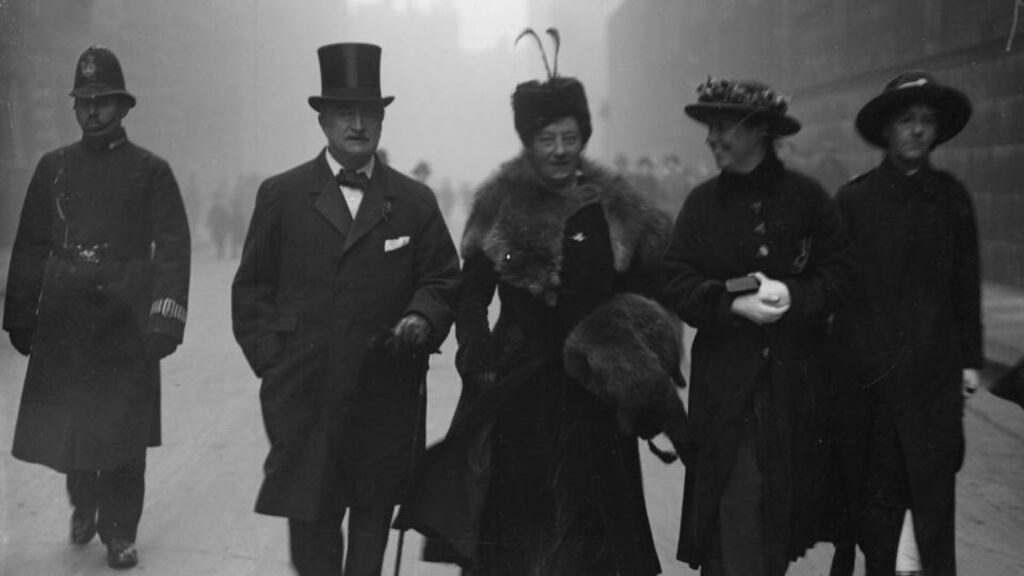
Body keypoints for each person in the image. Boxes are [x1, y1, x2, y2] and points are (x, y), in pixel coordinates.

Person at [394, 29, 676, 576]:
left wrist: (644, 362)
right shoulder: (501, 203)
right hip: (520, 391)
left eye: (570, 136)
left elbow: (654, 290)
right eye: (546, 138)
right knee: (522, 537)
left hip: (598, 395)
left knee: (596, 537)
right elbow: (470, 294)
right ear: (529, 141)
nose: (560, 150)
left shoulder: (615, 205)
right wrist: (479, 357)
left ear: (584, 135)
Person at [231, 42, 459, 576]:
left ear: (381, 121)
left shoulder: (414, 201)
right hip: (306, 404)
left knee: (368, 549)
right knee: (312, 546)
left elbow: (443, 277)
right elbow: (252, 292)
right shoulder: (281, 196)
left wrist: (422, 317)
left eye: (370, 113)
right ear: (323, 121)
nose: (358, 123)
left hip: (385, 401)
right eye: (344, 113)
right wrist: (277, 364)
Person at [3, 46, 191, 569]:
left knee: (125, 435)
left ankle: (120, 532)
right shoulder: (53, 167)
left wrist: (164, 317)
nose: (93, 111)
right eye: (84, 101)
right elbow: (31, 245)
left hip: (127, 322)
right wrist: (21, 313)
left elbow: (173, 249)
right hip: (67, 320)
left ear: (124, 107)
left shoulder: (152, 171)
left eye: (103, 101)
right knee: (76, 428)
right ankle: (83, 504)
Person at [662, 77, 853, 576]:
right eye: (709, 129)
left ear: (759, 131)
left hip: (796, 391)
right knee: (734, 512)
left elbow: (842, 275)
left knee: (777, 519)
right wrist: (730, 306)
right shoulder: (702, 204)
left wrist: (797, 296)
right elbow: (675, 280)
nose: (711, 139)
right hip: (727, 388)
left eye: (722, 128)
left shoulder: (808, 199)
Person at [829, 71, 980, 576]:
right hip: (875, 392)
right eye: (906, 121)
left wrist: (971, 361)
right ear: (887, 131)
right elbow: (838, 294)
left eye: (926, 122)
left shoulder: (951, 199)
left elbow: (965, 283)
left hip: (935, 385)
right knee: (879, 519)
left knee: (935, 515)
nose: (917, 131)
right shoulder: (854, 202)